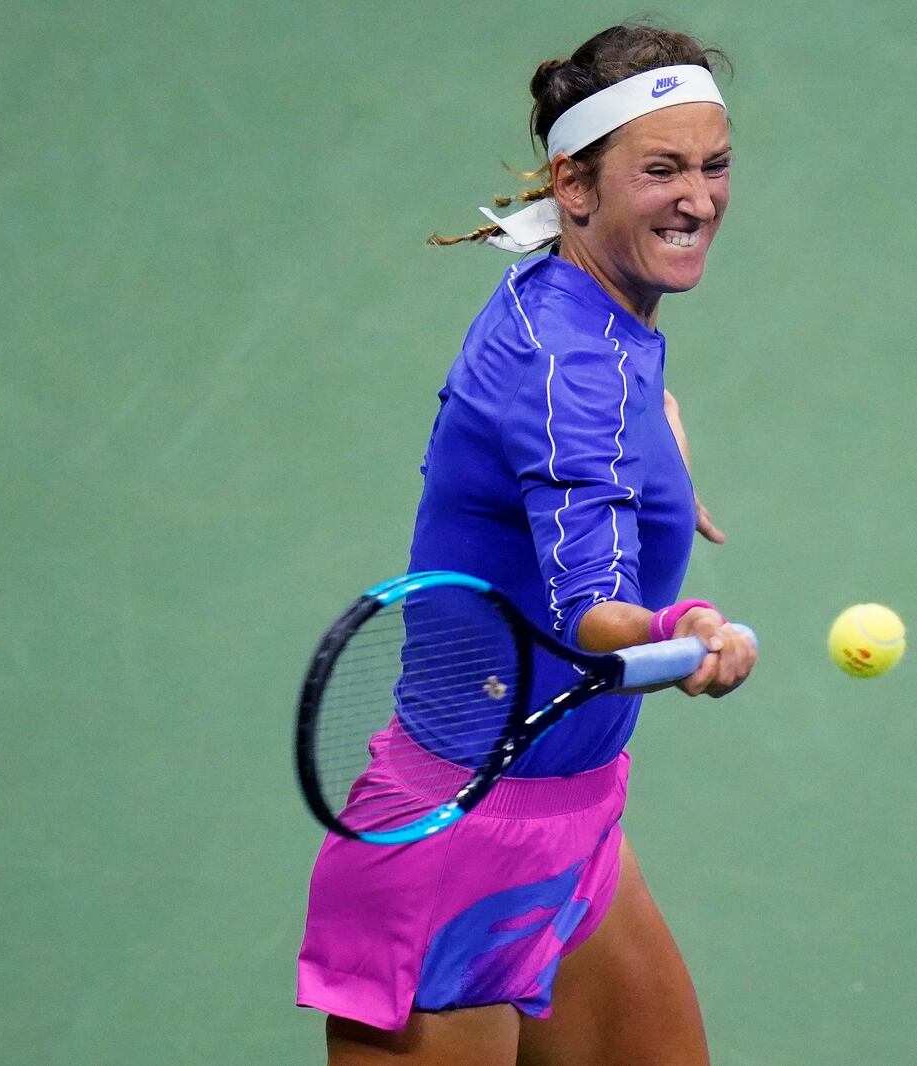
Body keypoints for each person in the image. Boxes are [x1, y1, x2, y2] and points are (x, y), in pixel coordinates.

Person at [295, 22, 755, 1065]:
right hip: (453, 844)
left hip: (579, 826)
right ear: (576, 185)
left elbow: (593, 416)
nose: (699, 197)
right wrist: (685, 627)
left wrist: (663, 456)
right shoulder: (569, 365)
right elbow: (590, 607)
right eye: (662, 170)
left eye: (714, 165)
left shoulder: (587, 308)